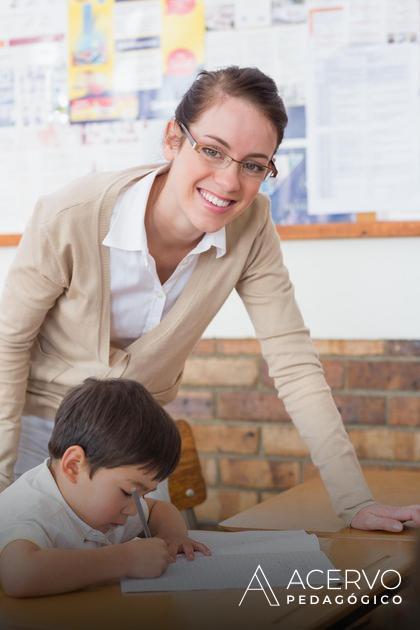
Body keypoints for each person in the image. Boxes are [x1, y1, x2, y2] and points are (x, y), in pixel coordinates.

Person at [0, 66, 418, 532]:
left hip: (134, 446)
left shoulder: (252, 226)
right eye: (213, 151)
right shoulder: (71, 215)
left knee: (149, 583)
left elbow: (293, 362)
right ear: (173, 141)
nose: (229, 181)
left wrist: (353, 501)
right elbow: (8, 344)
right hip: (40, 438)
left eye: (254, 165)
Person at [0, 378, 210, 597]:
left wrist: (172, 535)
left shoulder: (110, 504)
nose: (133, 509)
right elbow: (20, 575)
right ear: (73, 465)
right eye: (129, 492)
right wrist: (125, 559)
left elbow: (159, 510)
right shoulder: (29, 508)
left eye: (144, 494)